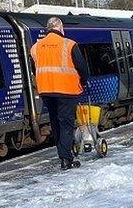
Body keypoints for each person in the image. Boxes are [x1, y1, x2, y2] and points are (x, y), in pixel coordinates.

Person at [30, 16, 90, 170]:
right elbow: (82, 67)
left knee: (56, 123)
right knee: (66, 123)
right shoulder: (69, 44)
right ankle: (66, 159)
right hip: (66, 90)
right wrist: (83, 80)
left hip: (46, 91)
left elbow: (34, 69)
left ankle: (63, 155)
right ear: (60, 27)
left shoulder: (36, 47)